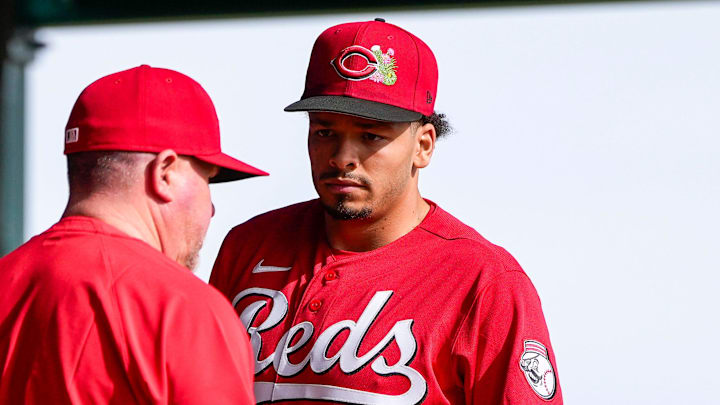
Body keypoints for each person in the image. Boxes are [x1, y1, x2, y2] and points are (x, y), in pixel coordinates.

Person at [210, 19, 563, 404]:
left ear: (423, 146)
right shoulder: (249, 245)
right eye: (324, 131)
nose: (343, 158)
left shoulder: (484, 281)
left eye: (370, 135)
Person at [0, 65, 266, 404]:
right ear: (165, 173)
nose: (210, 208)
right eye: (207, 179)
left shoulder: (6, 280)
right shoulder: (182, 308)